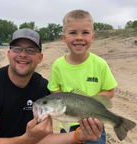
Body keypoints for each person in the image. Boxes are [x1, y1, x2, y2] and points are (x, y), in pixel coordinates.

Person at [0, 28, 103, 144]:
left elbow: (44, 139)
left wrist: (79, 135)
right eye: (17, 48)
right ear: (8, 54)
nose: (23, 54)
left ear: (40, 58)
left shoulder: (43, 89)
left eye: (31, 50)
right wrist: (27, 139)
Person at [47, 10, 118, 144]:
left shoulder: (100, 64)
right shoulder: (57, 65)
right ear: (64, 37)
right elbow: (54, 91)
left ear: (92, 36)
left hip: (94, 125)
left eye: (85, 32)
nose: (79, 37)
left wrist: (89, 103)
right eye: (73, 33)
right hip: (68, 126)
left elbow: (110, 91)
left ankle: (119, 123)